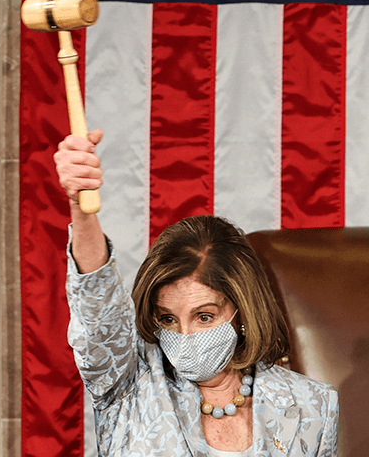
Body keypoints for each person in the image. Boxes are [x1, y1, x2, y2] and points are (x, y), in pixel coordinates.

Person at [54, 130, 339, 457]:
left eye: (204, 316)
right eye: (168, 319)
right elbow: (99, 314)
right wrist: (80, 205)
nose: (185, 335)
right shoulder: (128, 383)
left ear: (242, 312)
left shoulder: (313, 406)